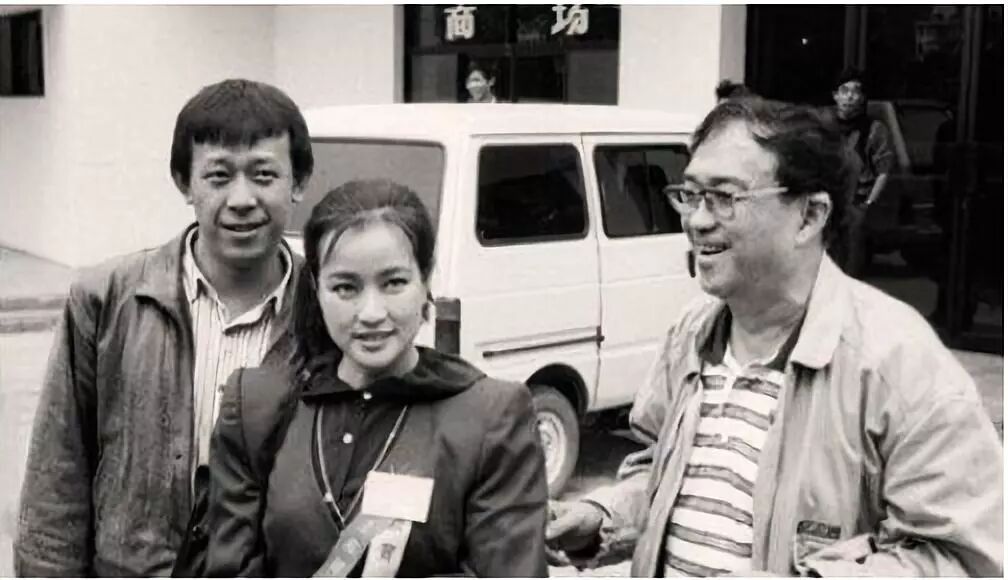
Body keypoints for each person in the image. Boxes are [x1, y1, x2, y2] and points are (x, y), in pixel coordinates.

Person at [545, 98, 1002, 576]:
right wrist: (602, 517)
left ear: (810, 215)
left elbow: (961, 559)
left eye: (724, 197)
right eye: (690, 194)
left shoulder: (898, 364)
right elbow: (655, 469)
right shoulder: (691, 334)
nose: (697, 220)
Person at [14, 78, 314, 576]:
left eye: (264, 175)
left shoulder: (325, 311)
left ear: (298, 181)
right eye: (218, 176)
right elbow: (57, 479)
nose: (242, 198)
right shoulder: (108, 299)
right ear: (184, 183)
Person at [204, 179, 549, 577]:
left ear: (426, 279)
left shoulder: (490, 417)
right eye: (345, 287)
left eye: (394, 283)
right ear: (316, 288)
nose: (371, 313)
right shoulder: (257, 408)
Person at [828, 67, 895, 277]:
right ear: (835, 96)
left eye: (855, 91)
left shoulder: (874, 129)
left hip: (856, 206)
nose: (849, 96)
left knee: (851, 271)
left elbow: (883, 171)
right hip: (827, 206)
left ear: (863, 97)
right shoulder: (825, 127)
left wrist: (867, 205)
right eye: (844, 90)